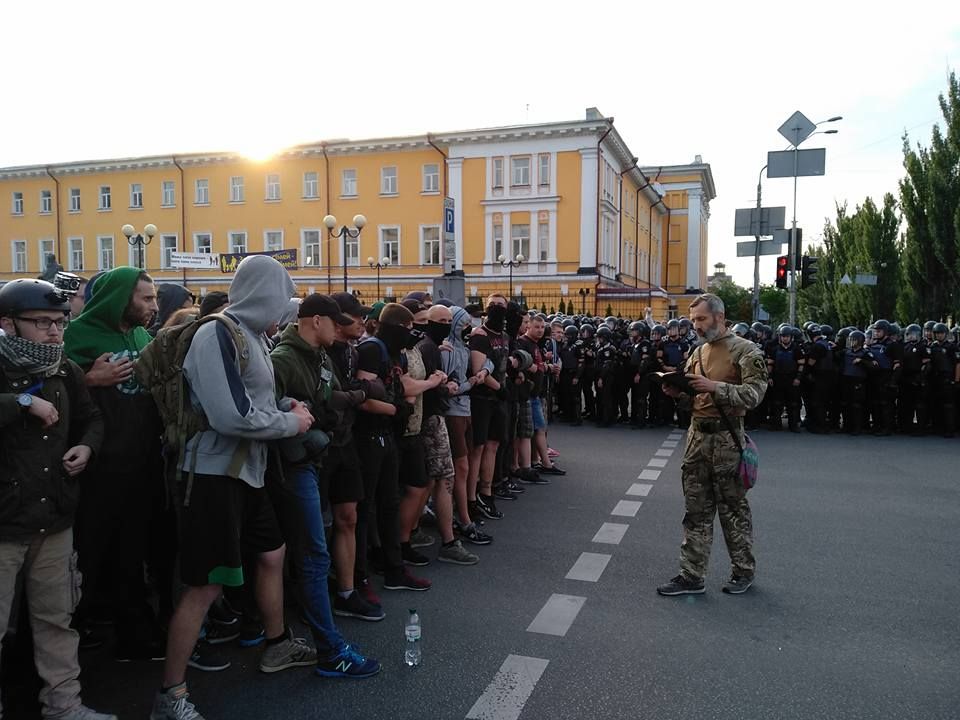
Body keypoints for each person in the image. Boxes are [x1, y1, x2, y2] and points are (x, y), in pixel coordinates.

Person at [149, 256, 320, 720]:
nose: (285, 310)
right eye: (281, 298)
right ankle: (171, 694)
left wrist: (284, 404)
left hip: (246, 473)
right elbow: (230, 416)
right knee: (204, 585)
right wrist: (290, 422)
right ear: (265, 294)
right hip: (211, 477)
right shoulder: (217, 333)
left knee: (271, 553)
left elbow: (251, 399)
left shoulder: (252, 337)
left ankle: (276, 643)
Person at [0, 279, 112, 720]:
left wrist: (87, 447)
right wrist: (22, 400)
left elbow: (91, 418)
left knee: (57, 619)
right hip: (5, 521)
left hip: (55, 516)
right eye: (42, 323)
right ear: (8, 324)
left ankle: (64, 704)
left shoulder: (63, 368)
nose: (53, 332)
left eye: (59, 323)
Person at [268, 292, 382, 673]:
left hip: (310, 461)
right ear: (316, 321)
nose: (343, 328)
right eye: (336, 322)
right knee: (313, 555)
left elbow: (329, 397)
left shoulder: (317, 357)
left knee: (303, 553)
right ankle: (329, 650)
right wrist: (298, 412)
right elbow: (266, 408)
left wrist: (340, 402)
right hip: (292, 466)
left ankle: (291, 637)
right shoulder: (283, 359)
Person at [63, 267, 168, 661]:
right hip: (94, 471)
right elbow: (50, 399)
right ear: (119, 298)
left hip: (140, 467)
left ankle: (133, 635)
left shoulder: (142, 336)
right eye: (145, 298)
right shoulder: (74, 336)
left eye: (155, 298)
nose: (153, 306)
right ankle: (69, 640)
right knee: (87, 554)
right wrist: (89, 380)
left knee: (131, 550)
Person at [656, 294, 767, 597]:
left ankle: (743, 570)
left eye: (701, 319)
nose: (696, 326)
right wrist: (676, 392)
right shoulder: (697, 352)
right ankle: (691, 575)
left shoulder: (745, 350)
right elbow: (693, 396)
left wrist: (715, 386)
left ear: (719, 317)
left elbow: (755, 394)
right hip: (697, 439)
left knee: (733, 510)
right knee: (696, 510)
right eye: (693, 321)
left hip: (726, 441)